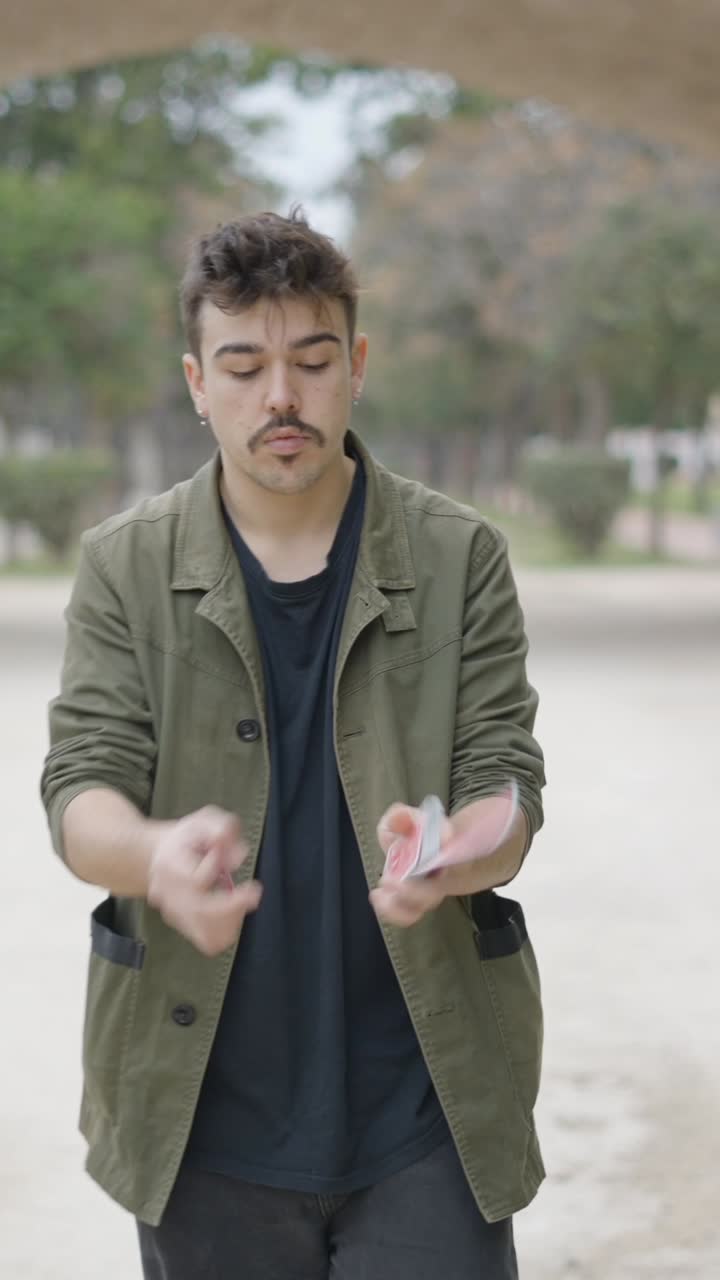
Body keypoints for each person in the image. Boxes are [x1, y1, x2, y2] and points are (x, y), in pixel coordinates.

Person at [41, 209, 546, 1280]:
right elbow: (82, 785)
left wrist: (457, 848)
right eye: (245, 365)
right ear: (195, 381)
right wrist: (154, 857)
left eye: (313, 361)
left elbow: (507, 781)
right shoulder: (124, 565)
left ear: (355, 365)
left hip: (429, 1102)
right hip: (201, 1108)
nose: (281, 396)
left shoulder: (461, 556)